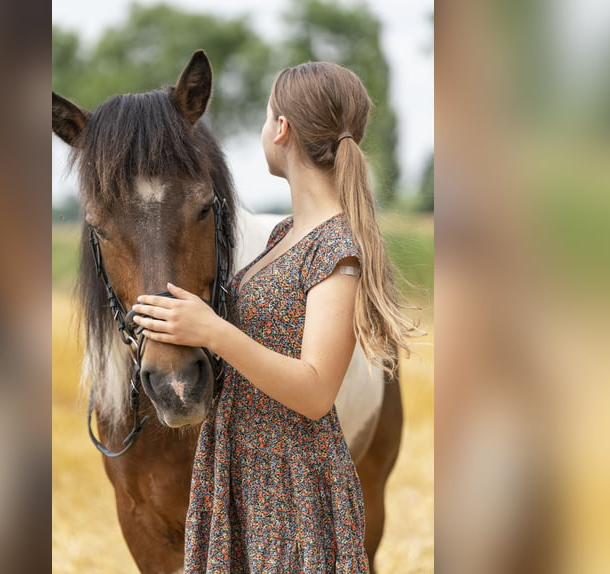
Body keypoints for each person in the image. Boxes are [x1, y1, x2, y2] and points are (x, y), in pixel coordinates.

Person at [132, 61, 417, 573]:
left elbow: (313, 392)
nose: (264, 129)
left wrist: (212, 331)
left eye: (266, 118)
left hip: (292, 491)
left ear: (280, 129)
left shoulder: (337, 249)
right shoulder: (285, 236)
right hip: (246, 469)